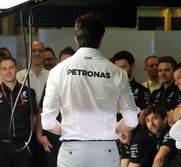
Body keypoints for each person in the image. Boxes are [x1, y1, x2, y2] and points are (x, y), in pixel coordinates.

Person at [41, 13, 138, 167]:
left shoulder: (58, 71)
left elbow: (47, 122)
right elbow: (132, 118)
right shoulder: (117, 72)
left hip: (72, 150)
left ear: (76, 38)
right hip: (106, 150)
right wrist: (115, 129)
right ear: (101, 38)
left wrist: (67, 131)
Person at [38, 46, 75, 167]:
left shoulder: (83, 83)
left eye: (69, 61)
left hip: (75, 140)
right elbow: (42, 111)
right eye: (63, 61)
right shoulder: (51, 82)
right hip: (53, 140)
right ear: (58, 62)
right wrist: (40, 135)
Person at [16, 40, 50, 167]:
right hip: (25, 131)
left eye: (40, 50)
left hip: (47, 130)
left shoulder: (52, 75)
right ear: (27, 53)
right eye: (33, 50)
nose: (37, 53)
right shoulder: (18, 77)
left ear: (44, 53)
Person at [0, 56, 38, 167]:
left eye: (11, 67)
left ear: (16, 69)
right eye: (4, 68)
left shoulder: (29, 91)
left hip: (23, 145)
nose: (8, 71)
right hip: (2, 146)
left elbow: (34, 117)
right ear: (0, 71)